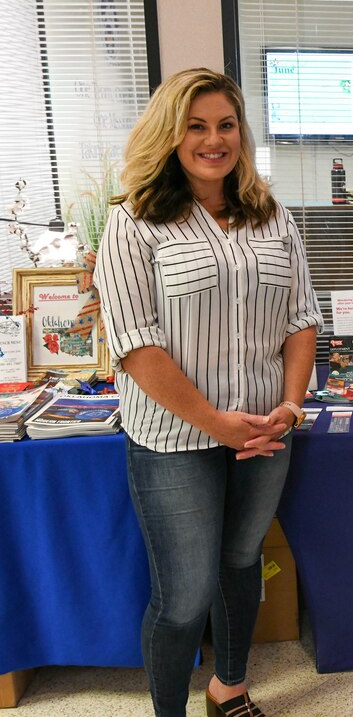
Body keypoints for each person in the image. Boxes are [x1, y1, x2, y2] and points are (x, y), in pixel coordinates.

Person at [95, 68, 323, 717]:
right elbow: (137, 345)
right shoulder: (135, 222)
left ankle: (229, 686)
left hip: (264, 431)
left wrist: (290, 403)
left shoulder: (271, 215)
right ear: (170, 134)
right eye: (196, 125)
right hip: (173, 439)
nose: (213, 139)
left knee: (242, 564)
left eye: (226, 124)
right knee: (184, 595)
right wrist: (215, 422)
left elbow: (302, 318)